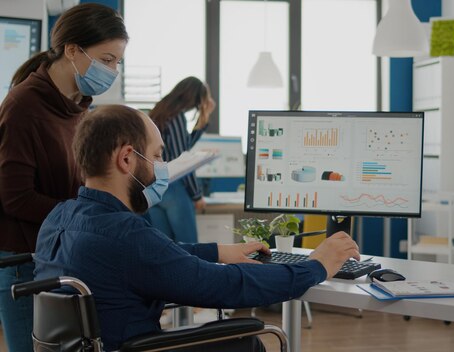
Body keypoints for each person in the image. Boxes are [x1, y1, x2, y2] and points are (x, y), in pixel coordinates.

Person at [33, 105, 360, 351]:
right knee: (247, 341)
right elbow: (226, 286)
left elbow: (155, 257)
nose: (162, 166)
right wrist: (316, 267)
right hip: (134, 346)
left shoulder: (58, 219)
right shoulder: (125, 236)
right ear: (127, 159)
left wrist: (218, 251)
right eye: (158, 155)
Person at [0, 4, 128, 351]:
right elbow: (16, 197)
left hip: (60, 252)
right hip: (25, 262)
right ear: (72, 50)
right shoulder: (23, 106)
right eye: (106, 59)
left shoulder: (79, 105)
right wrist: (82, 216)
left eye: (117, 62)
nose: (112, 70)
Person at [147, 77, 214, 243]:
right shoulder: (176, 117)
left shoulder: (159, 112)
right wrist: (197, 195)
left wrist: (203, 120)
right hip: (172, 187)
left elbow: (183, 145)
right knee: (189, 248)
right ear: (193, 98)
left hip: (154, 188)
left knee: (165, 249)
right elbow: (182, 161)